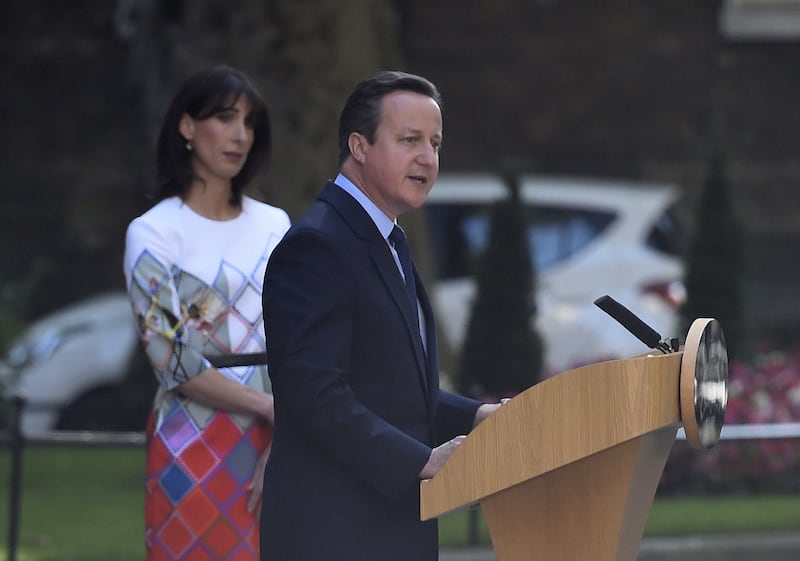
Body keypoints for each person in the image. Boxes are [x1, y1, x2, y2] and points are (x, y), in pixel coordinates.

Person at [260, 70, 502, 561]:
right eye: (409, 140)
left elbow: (388, 387)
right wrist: (423, 460)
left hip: (389, 527)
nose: (427, 158)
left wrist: (476, 416)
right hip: (334, 532)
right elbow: (314, 393)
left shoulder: (386, 238)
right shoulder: (318, 245)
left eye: (435, 143)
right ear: (359, 145)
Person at [123, 65, 291, 561]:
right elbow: (171, 359)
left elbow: (299, 336)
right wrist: (266, 408)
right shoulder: (153, 233)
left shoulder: (276, 226)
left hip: (282, 435)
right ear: (186, 126)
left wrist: (286, 426)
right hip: (189, 438)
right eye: (225, 118)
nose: (240, 135)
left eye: (249, 122)